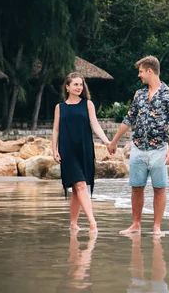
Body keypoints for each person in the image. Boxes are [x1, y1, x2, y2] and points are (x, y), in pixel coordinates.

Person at [108, 56, 169, 235]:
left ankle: (156, 227)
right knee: (137, 187)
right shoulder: (139, 94)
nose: (139, 75)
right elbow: (129, 119)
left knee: (159, 188)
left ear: (150, 71)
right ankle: (136, 224)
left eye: (141, 71)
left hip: (159, 150)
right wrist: (114, 141)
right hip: (138, 148)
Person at [52, 72, 110, 234]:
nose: (79, 87)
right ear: (67, 87)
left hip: (84, 148)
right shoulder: (60, 108)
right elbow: (56, 129)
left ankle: (73, 223)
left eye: (81, 84)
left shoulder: (88, 104)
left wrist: (106, 141)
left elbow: (96, 125)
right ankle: (92, 222)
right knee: (80, 184)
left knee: (78, 189)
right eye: (75, 84)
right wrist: (54, 150)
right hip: (67, 149)